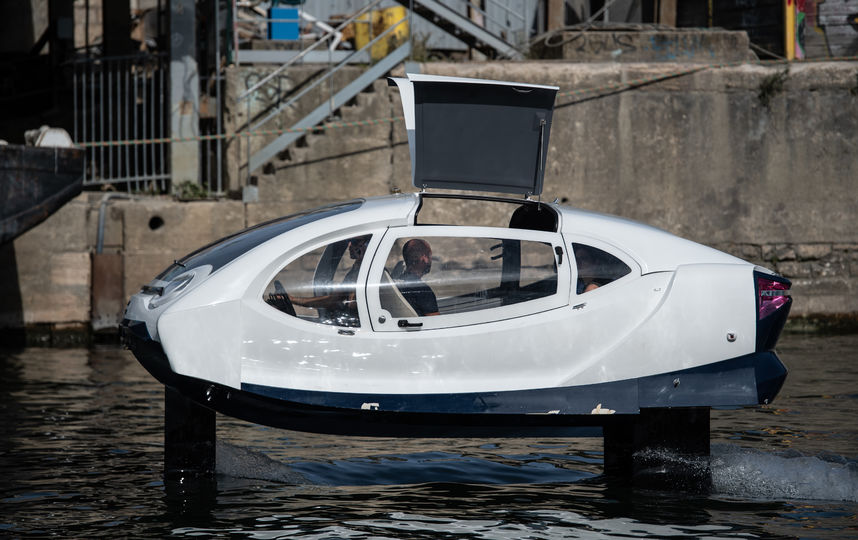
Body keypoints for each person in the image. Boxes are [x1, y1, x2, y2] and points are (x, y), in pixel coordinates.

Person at [288, 235, 370, 322]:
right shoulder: (355, 270)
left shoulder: (368, 272)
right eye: (348, 242)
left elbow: (352, 304)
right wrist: (293, 300)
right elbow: (332, 299)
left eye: (354, 242)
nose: (349, 245)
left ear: (366, 245)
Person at [398, 238, 439, 316]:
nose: (431, 260)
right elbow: (436, 322)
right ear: (424, 258)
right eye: (430, 256)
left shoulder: (400, 280)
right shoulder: (422, 290)